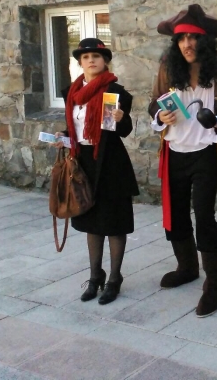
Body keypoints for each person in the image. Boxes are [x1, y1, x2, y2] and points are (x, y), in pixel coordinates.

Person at [148, 4, 217, 318]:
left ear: (204, 41)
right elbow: (153, 104)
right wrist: (161, 114)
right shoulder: (168, 67)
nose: (187, 44)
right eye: (182, 38)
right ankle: (187, 267)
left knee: (204, 216)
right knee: (177, 214)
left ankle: (215, 285)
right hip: (174, 152)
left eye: (193, 38)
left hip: (206, 153)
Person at [55, 38, 139, 305]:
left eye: (96, 56)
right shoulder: (72, 92)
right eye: (86, 56)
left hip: (110, 164)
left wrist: (121, 119)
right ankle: (95, 276)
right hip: (83, 164)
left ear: (105, 62)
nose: (91, 60)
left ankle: (114, 278)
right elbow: (75, 128)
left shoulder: (115, 91)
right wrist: (63, 136)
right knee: (92, 222)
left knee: (113, 223)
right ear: (80, 62)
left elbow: (123, 131)